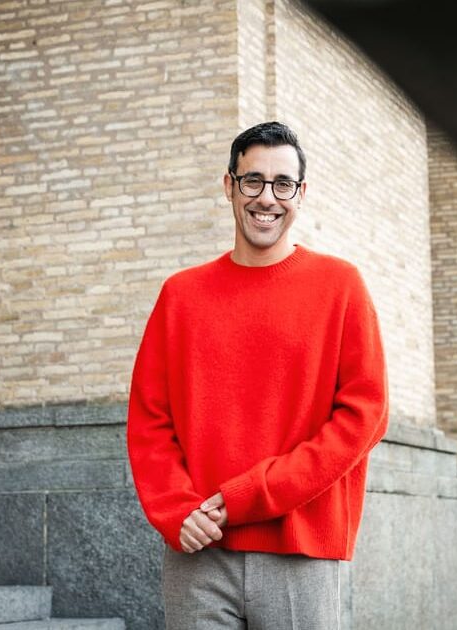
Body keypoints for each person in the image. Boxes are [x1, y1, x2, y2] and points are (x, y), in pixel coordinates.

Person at [127, 121, 389, 628]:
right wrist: (175, 510)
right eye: (253, 180)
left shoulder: (340, 287)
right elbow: (149, 420)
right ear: (229, 185)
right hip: (199, 549)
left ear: (301, 194)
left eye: (282, 184)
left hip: (300, 549)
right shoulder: (181, 295)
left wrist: (253, 494)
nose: (267, 198)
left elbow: (366, 414)